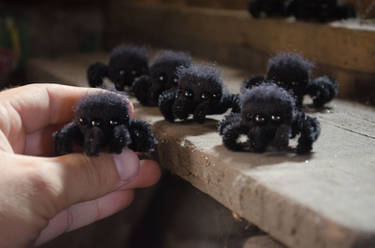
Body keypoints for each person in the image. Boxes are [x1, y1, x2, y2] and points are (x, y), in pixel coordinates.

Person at [0, 84, 161, 247]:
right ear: (81, 123)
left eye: (111, 123)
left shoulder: (118, 128)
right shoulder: (76, 129)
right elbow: (64, 136)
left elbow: (138, 130)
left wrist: (144, 143)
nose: (95, 131)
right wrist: (63, 155)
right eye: (86, 123)